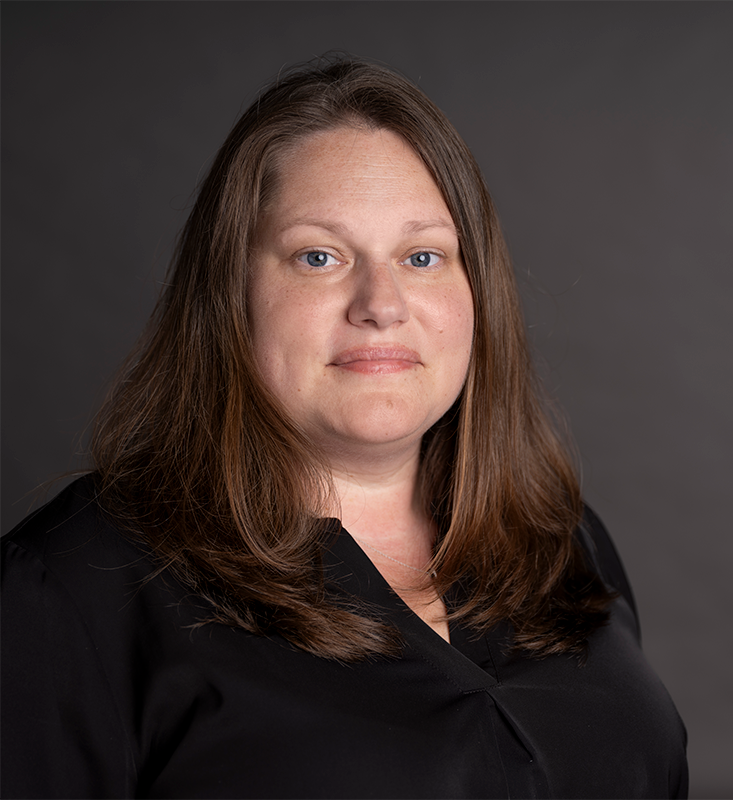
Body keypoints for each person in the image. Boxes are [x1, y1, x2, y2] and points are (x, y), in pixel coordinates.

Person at [0, 56, 688, 798]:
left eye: (422, 256)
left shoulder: (563, 542)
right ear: (229, 294)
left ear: (477, 295)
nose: (381, 302)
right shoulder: (68, 590)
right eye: (318, 256)